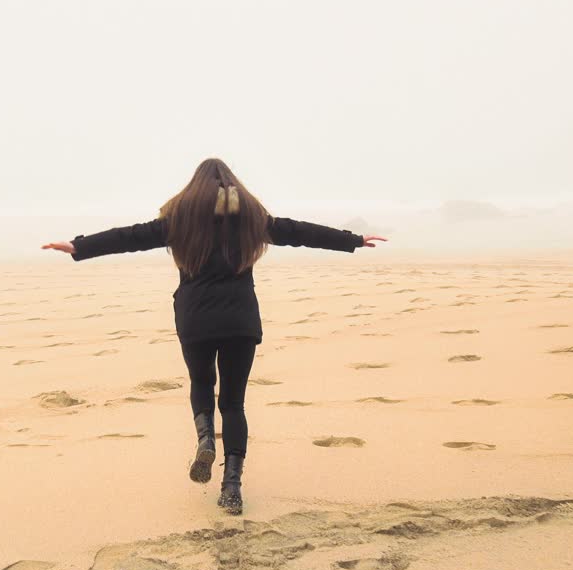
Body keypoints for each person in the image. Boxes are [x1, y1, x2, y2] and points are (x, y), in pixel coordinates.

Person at [41, 158, 386, 515]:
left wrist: (79, 246)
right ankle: (232, 486)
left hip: (196, 320)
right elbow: (300, 232)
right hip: (240, 320)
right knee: (234, 403)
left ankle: (206, 438)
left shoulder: (180, 220)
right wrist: (354, 240)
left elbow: (130, 237)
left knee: (202, 382)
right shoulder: (253, 219)